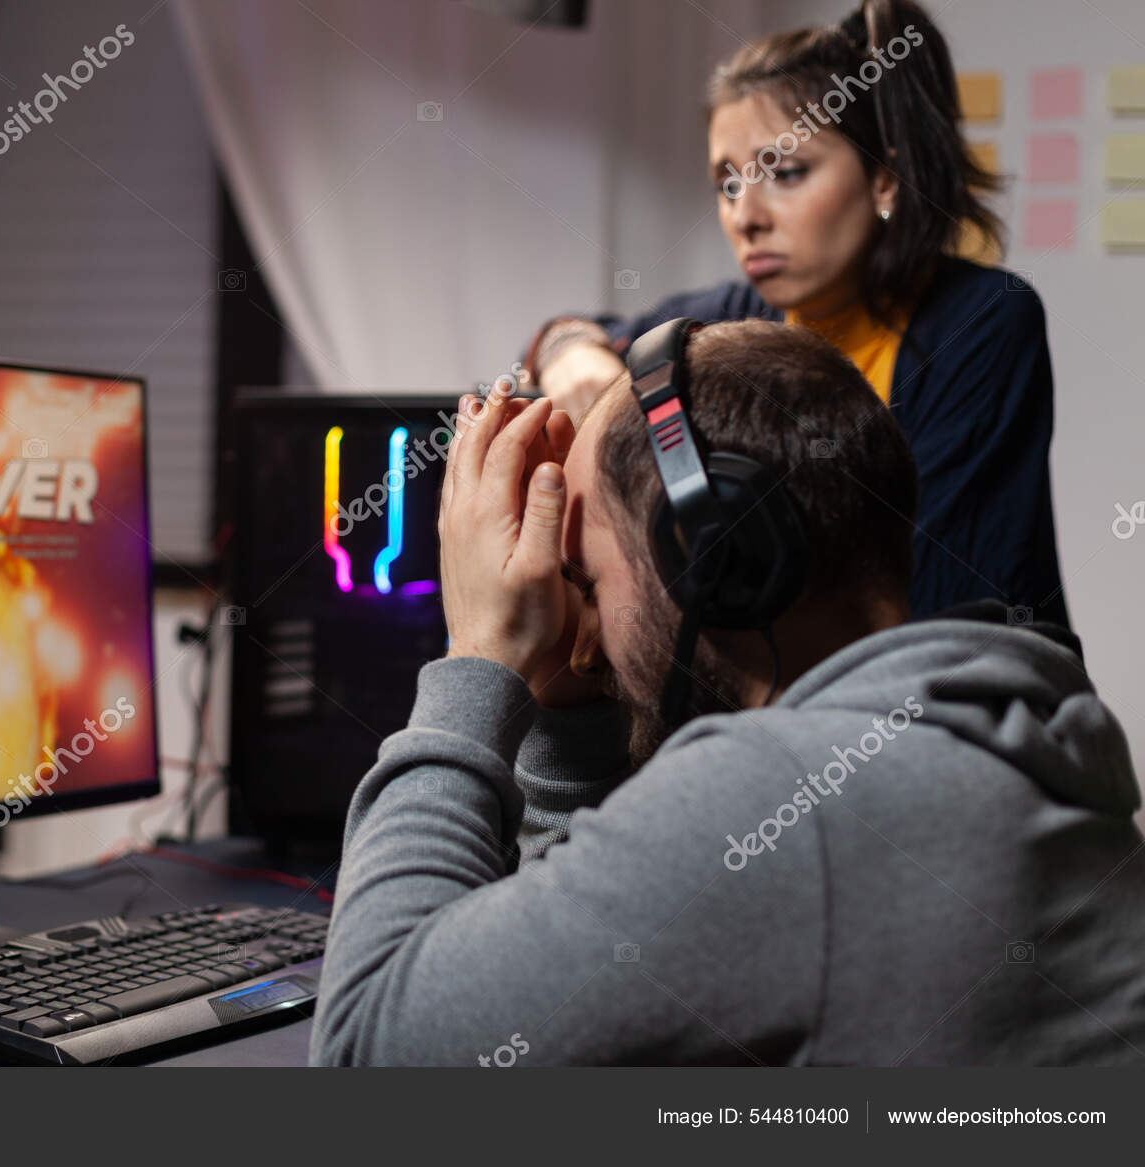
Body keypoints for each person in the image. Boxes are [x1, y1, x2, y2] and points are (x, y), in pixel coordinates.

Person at [309, 321, 1145, 1066]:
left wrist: (477, 657)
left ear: (718, 568)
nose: (585, 636)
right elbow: (596, 1010)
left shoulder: (790, 795)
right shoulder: (993, 726)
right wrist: (563, 706)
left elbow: (366, 1051)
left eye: (588, 582)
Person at [525, 0, 1066, 625]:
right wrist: (569, 349)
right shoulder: (733, 318)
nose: (745, 216)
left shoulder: (982, 321)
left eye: (784, 172)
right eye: (727, 183)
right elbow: (566, 336)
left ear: (885, 179)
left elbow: (944, 598)